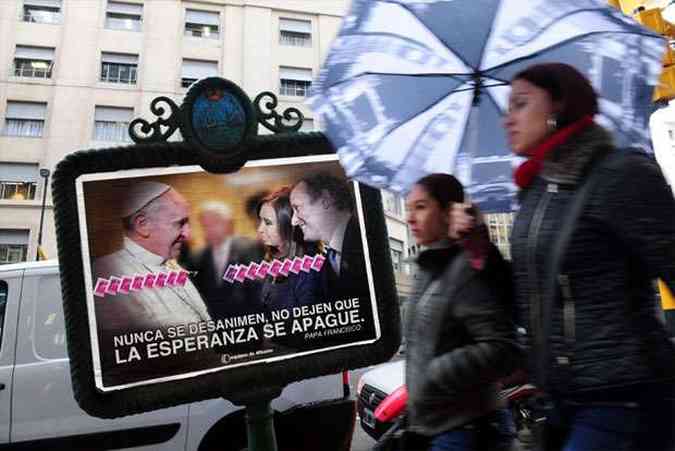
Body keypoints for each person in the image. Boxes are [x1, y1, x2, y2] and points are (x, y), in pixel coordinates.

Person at [455, 62, 675, 451]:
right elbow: (527, 303)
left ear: (558, 107)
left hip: (623, 398)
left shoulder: (620, 172)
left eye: (521, 104)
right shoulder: (536, 194)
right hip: (560, 401)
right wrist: (480, 250)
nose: (508, 119)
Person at [404, 173, 520, 451]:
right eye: (409, 208)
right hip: (438, 428)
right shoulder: (427, 268)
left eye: (420, 207)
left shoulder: (467, 268)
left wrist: (435, 373)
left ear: (448, 212)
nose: (410, 218)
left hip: (468, 431)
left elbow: (502, 347)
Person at [92, 181, 217, 384]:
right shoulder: (107, 274)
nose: (189, 234)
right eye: (180, 223)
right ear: (143, 225)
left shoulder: (170, 263)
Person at [289, 173, 369, 302]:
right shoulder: (328, 259)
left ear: (325, 201)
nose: (293, 221)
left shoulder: (367, 243)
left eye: (297, 208)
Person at [182, 201, 264, 320]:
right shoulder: (198, 257)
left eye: (213, 223)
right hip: (217, 326)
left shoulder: (249, 248)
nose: (208, 229)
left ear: (228, 224)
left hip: (248, 323)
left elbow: (258, 289)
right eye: (205, 225)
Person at [257, 187, 322, 311]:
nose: (259, 229)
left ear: (290, 224)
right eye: (260, 221)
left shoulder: (310, 271)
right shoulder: (274, 259)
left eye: (268, 223)